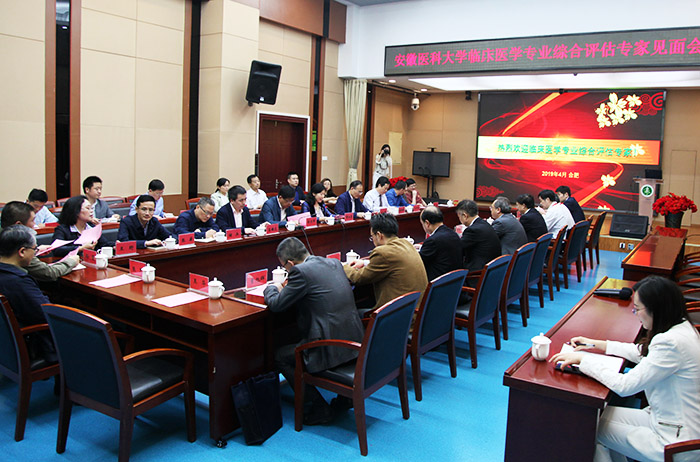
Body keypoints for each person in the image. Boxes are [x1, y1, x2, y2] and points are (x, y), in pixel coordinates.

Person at [550, 276, 700, 462]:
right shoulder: (682, 327)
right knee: (590, 418)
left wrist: (584, 360)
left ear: (655, 309)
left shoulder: (670, 343)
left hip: (675, 440)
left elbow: (625, 386)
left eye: (637, 309)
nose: (635, 314)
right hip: (671, 421)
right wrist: (596, 344)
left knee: (586, 427)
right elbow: (642, 353)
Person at [264, 237, 364, 425]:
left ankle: (318, 406)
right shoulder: (333, 263)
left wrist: (272, 288)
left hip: (329, 348)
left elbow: (276, 305)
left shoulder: (299, 272)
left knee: (279, 356)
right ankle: (344, 398)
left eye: (285, 267)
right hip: (354, 340)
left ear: (291, 264)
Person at [344, 213, 428, 311]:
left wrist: (344, 266)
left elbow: (358, 278)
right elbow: (391, 262)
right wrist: (365, 262)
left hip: (398, 313)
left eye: (372, 237)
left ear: (379, 235)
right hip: (417, 309)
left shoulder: (382, 252)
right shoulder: (406, 243)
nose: (373, 240)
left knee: (354, 313)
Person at [0, 225, 56, 361]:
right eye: (34, 249)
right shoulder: (18, 282)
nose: (35, 253)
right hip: (29, 345)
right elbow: (46, 315)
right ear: (22, 252)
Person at [1, 201, 79, 280]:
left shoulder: (5, 237)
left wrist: (35, 250)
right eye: (32, 220)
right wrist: (71, 261)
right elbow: (49, 273)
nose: (35, 224)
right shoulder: (19, 244)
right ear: (19, 225)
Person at [418, 206, 463, 281]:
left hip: (438, 282)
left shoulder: (432, 240)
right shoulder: (453, 234)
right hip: (455, 280)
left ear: (427, 223)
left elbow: (418, 261)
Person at [456, 199, 501, 273]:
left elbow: (458, 248)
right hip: (492, 268)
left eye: (459, 216)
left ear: (465, 216)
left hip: (478, 272)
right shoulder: (484, 223)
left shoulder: (473, 230)